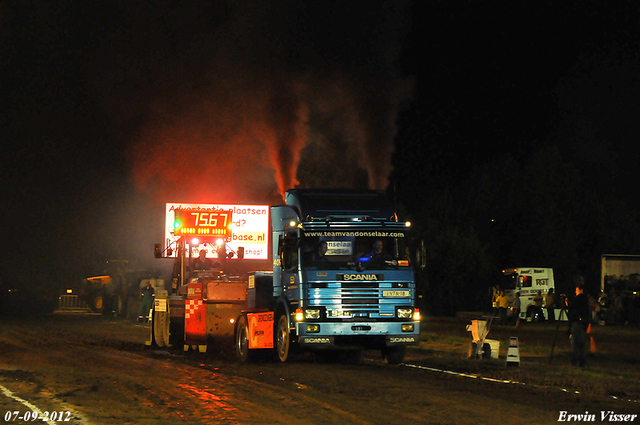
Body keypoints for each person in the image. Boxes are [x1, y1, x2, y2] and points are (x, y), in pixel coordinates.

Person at [567, 282, 590, 367]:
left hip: (577, 323)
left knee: (576, 343)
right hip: (582, 323)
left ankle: (575, 360)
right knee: (581, 343)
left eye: (576, 290)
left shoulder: (579, 298)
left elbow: (572, 308)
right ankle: (582, 361)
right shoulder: (585, 300)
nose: (575, 292)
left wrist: (568, 304)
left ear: (581, 290)